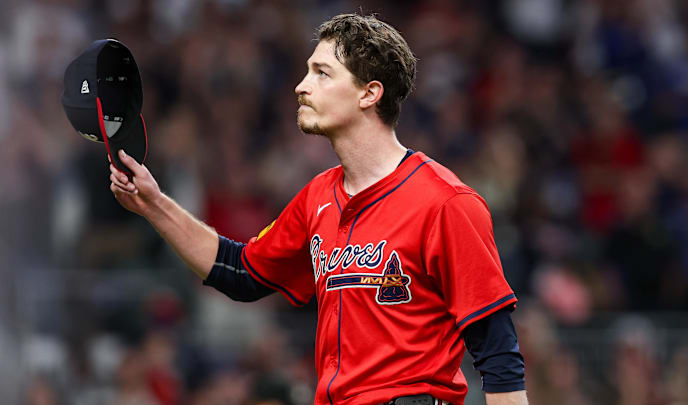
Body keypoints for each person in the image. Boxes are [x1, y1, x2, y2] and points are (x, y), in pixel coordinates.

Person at [108, 13, 528, 405]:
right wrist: (155, 204)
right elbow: (242, 273)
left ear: (370, 93)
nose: (301, 86)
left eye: (322, 74)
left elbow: (497, 351)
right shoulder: (317, 197)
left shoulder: (446, 202)